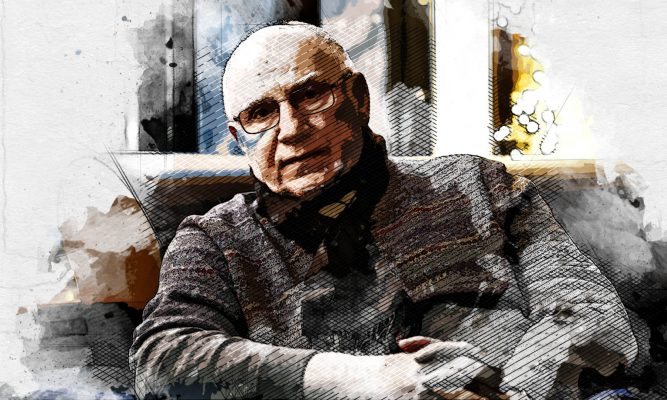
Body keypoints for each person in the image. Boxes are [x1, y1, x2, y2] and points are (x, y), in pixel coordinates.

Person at [129, 22, 638, 399]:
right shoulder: (214, 240)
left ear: (358, 98)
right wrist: (368, 381)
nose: (292, 128)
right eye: (261, 113)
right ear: (238, 137)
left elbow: (589, 312)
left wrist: (513, 391)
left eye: (311, 95)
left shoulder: (482, 184)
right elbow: (164, 360)